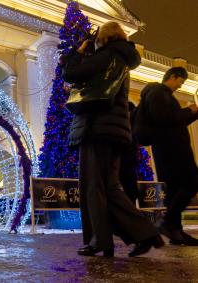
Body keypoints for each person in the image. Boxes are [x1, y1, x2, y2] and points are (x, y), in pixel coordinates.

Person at [62, 21, 164, 257]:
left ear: (103, 38)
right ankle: (144, 234)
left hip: (96, 128)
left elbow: (71, 73)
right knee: (109, 187)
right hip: (115, 132)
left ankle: (100, 240)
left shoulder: (106, 56)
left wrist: (77, 52)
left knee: (93, 186)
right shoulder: (122, 60)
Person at [136, 67, 198, 245]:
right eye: (181, 81)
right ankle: (168, 222)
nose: (180, 86)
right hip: (173, 149)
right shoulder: (158, 92)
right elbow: (165, 119)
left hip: (167, 149)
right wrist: (189, 111)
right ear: (173, 77)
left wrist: (193, 114)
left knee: (174, 189)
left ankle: (176, 233)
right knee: (192, 182)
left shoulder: (160, 95)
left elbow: (171, 121)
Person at [120, 102, 139, 204]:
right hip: (125, 164)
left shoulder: (131, 128)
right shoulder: (124, 128)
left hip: (129, 164)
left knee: (132, 193)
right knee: (130, 193)